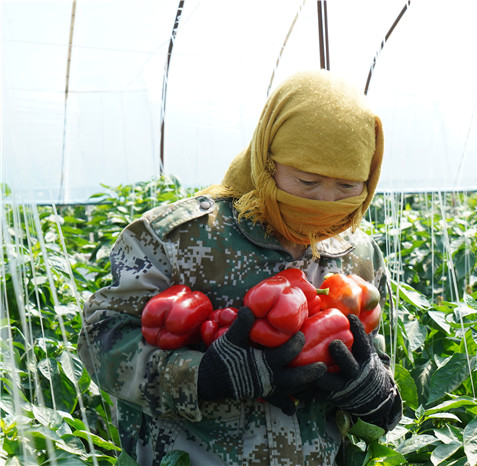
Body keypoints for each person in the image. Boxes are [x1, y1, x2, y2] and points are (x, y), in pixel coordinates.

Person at [78, 69, 402, 465]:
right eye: (307, 181)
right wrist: (203, 376)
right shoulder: (178, 239)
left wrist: (375, 392)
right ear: (268, 160)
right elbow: (101, 343)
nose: (326, 200)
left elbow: (376, 355)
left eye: (348, 187)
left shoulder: (358, 253)